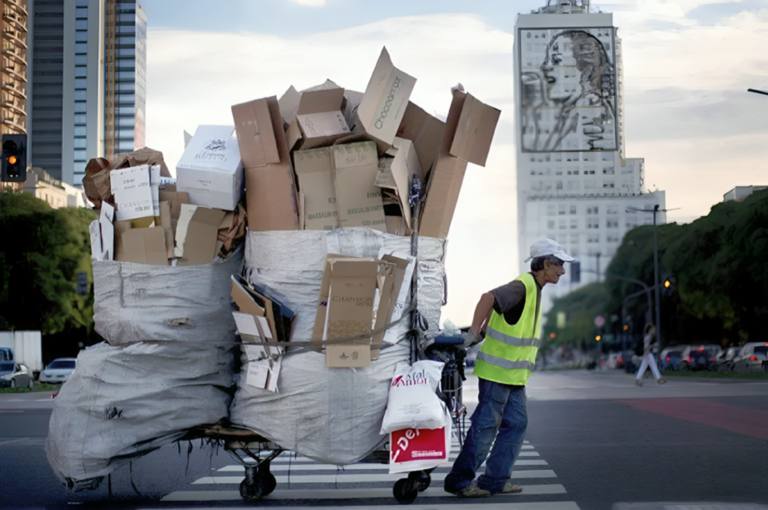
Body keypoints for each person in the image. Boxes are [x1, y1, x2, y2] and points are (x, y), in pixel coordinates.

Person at [443, 238, 574, 498]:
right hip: (497, 374)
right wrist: (474, 332)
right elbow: (488, 298)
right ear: (545, 264)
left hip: (513, 376)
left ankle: (494, 480)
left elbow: (498, 311)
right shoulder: (522, 286)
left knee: (516, 424)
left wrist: (483, 330)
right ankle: (459, 481)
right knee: (486, 426)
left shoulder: (533, 289)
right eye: (559, 264)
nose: (562, 270)